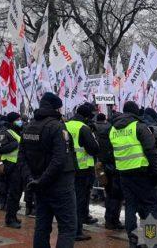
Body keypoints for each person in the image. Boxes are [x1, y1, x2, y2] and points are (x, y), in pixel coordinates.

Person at [18, 92, 77, 248]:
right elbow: (59, 160)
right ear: (56, 109)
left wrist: (32, 180)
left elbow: (21, 159)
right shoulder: (57, 127)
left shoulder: (28, 127)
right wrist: (40, 180)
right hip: (59, 186)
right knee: (68, 228)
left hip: (39, 185)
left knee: (42, 227)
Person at [107, 101, 157, 247]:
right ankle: (151, 240)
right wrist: (155, 172)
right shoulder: (139, 126)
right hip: (143, 173)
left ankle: (133, 238)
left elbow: (112, 153)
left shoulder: (113, 129)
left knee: (130, 206)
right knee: (150, 206)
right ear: (136, 112)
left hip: (124, 173)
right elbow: (151, 150)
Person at [65, 103, 101, 241]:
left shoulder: (66, 125)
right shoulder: (83, 128)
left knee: (73, 199)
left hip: (69, 167)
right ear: (86, 116)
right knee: (79, 200)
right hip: (83, 168)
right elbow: (93, 149)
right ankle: (77, 231)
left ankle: (77, 223)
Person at [94, 113, 124, 230]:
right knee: (116, 196)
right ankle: (113, 221)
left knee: (109, 195)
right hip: (115, 167)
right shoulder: (114, 132)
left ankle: (109, 219)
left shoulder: (105, 132)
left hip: (105, 166)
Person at [0, 112, 24, 229]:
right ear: (12, 121)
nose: (20, 121)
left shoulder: (17, 132)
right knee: (13, 193)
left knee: (17, 192)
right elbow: (1, 148)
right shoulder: (5, 132)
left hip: (18, 165)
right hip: (10, 165)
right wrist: (15, 144)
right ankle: (9, 219)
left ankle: (13, 215)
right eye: (18, 119)